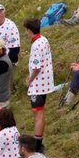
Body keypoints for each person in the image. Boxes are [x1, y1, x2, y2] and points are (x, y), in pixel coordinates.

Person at [24, 18, 53, 146]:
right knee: (39, 112)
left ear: (29, 30)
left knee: (38, 113)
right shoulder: (44, 39)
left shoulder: (36, 45)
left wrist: (30, 79)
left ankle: (38, 143)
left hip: (38, 84)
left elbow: (36, 67)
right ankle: (38, 140)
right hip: (45, 81)